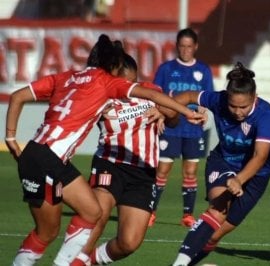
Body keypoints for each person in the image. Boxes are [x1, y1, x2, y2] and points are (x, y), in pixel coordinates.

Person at [4, 34, 204, 266]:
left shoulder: (68, 77)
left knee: (63, 228)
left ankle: (75, 262)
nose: (128, 87)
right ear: (115, 71)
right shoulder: (107, 86)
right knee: (90, 215)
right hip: (104, 163)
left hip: (52, 156)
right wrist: (189, 112)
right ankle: (68, 264)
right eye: (125, 81)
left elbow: (19, 95)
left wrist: (168, 111)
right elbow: (150, 96)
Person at [70, 53, 183, 265]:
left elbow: (175, 119)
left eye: (133, 80)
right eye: (124, 81)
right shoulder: (101, 96)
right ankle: (72, 261)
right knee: (98, 215)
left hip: (144, 172)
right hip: (110, 163)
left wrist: (163, 111)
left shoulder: (152, 92)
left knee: (129, 242)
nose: (130, 86)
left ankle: (88, 261)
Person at [170, 62, 270, 266]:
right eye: (233, 106)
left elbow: (260, 156)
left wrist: (239, 180)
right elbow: (188, 96)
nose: (237, 112)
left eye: (243, 107)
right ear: (226, 98)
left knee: (214, 235)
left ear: (254, 98)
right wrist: (172, 112)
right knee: (218, 210)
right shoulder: (218, 99)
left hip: (257, 176)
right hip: (223, 162)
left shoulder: (266, 116)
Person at [149, 27, 215, 227]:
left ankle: (187, 215)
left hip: (193, 129)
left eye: (189, 46)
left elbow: (207, 98)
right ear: (177, 47)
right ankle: (150, 212)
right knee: (162, 171)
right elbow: (155, 95)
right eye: (182, 46)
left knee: (191, 172)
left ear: (195, 47)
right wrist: (160, 116)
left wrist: (203, 113)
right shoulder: (166, 69)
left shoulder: (203, 70)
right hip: (170, 127)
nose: (185, 50)